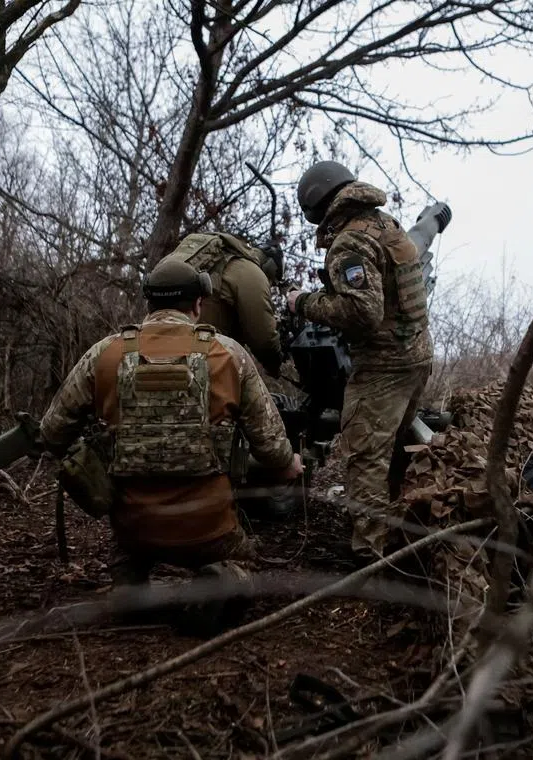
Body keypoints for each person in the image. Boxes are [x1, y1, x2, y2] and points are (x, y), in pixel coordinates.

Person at [40, 258, 303, 628]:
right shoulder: (228, 354)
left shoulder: (106, 353)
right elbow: (272, 447)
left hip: (133, 525)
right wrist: (290, 464)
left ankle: (130, 587)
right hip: (208, 526)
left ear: (150, 304)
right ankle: (225, 580)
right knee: (246, 562)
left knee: (128, 551)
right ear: (198, 304)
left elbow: (52, 433)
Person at [287, 160, 433, 560]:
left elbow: (362, 313)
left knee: (365, 456)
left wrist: (304, 302)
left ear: (317, 206)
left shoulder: (350, 242)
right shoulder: (385, 225)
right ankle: (405, 529)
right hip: (416, 356)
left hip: (383, 366)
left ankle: (370, 553)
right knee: (398, 446)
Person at [158, 232, 285, 378]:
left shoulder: (219, 261)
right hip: (205, 359)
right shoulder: (250, 272)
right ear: (270, 267)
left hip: (159, 345)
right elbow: (263, 338)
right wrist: (275, 365)